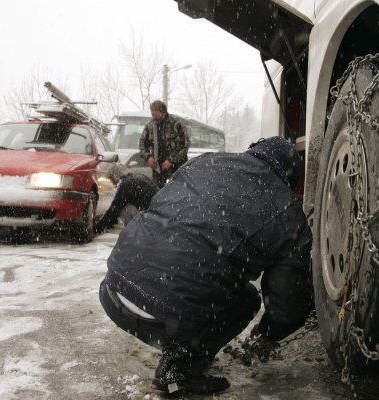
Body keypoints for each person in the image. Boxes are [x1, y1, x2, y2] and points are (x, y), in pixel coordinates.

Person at [99, 136, 313, 395]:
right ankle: (180, 372)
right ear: (289, 175)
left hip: (114, 290)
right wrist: (270, 332)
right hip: (166, 313)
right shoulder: (288, 211)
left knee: (184, 279)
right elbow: (287, 300)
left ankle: (179, 336)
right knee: (246, 302)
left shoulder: (207, 161)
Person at [94, 163, 159, 234]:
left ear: (115, 177)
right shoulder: (138, 177)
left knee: (124, 208)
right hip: (157, 212)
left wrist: (97, 228)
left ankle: (133, 232)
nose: (113, 183)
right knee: (122, 204)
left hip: (149, 218)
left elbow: (114, 208)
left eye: (112, 180)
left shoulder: (126, 185)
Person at [138, 100, 190, 188]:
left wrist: (170, 160)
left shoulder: (176, 123)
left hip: (177, 169)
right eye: (152, 114)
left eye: (156, 115)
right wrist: (148, 157)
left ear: (163, 112)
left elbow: (184, 145)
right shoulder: (150, 126)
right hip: (158, 169)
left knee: (177, 193)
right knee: (157, 193)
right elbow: (142, 143)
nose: (153, 117)